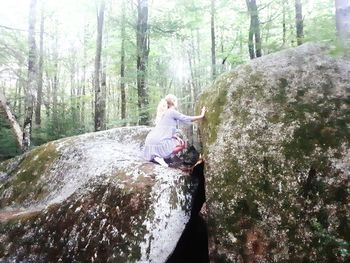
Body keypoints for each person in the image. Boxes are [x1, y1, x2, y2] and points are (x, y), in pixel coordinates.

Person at [143, 94, 206, 167]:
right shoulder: (172, 112)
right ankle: (161, 157)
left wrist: (175, 137)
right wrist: (201, 116)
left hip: (150, 142)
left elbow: (165, 130)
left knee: (178, 141)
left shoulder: (163, 113)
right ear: (173, 101)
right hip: (159, 142)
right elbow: (186, 118)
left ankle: (158, 156)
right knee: (182, 144)